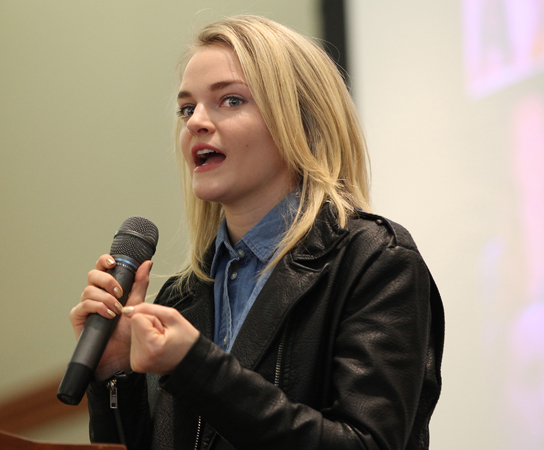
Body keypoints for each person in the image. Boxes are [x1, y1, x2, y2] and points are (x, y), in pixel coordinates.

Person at [69, 15, 444, 450]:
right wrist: (116, 375)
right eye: (187, 108)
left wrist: (198, 367)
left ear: (303, 121)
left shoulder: (374, 262)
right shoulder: (181, 299)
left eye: (230, 100)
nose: (195, 123)